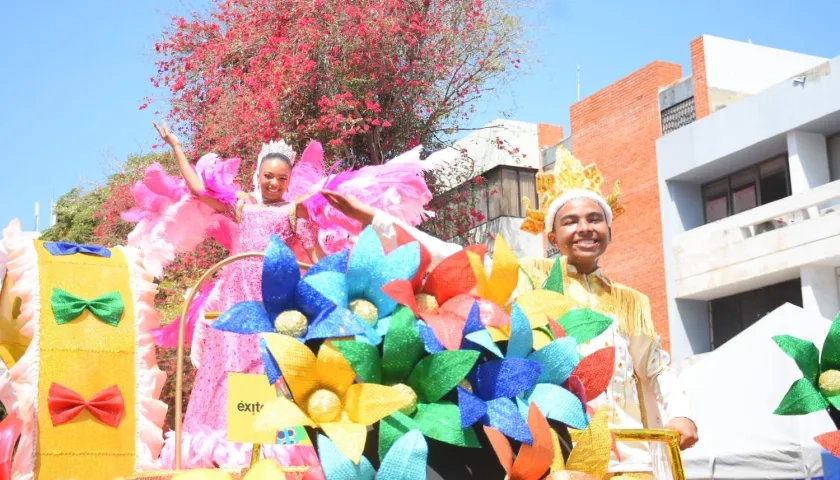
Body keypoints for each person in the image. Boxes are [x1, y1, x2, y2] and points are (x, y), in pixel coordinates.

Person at [321, 146, 698, 479]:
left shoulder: (632, 301)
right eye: (571, 221)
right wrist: (377, 220)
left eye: (594, 219)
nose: (585, 229)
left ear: (609, 230)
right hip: (558, 454)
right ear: (552, 237)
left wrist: (682, 414)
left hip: (632, 459)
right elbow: (452, 258)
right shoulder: (529, 280)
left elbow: (656, 370)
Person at [124, 123, 437, 476]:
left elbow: (315, 255)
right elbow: (199, 189)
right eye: (268, 177)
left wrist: (340, 282)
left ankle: (267, 445)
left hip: (271, 300)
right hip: (234, 296)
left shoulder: (293, 212)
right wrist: (177, 146)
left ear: (288, 181)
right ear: (257, 176)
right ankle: (221, 448)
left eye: (281, 179)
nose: (274, 183)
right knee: (223, 366)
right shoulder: (242, 206)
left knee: (266, 366)